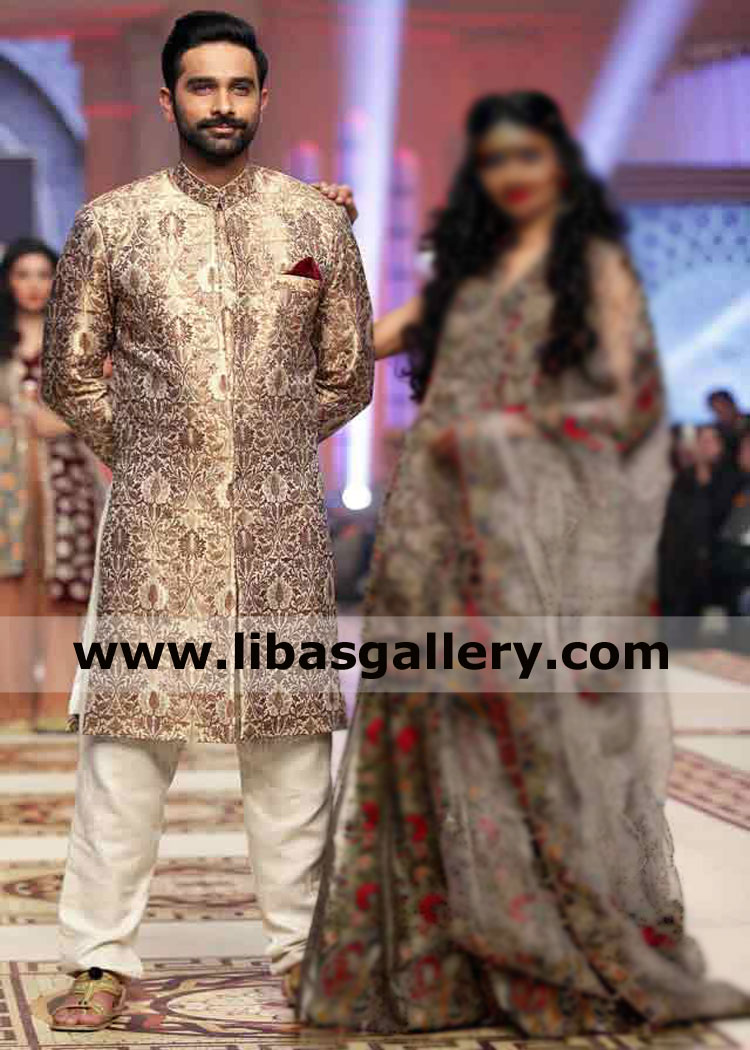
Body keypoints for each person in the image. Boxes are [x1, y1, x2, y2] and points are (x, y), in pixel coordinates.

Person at [296, 92, 750, 1036]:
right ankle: (443, 959)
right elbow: (357, 348)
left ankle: (541, 942)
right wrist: (329, 239)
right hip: (434, 536)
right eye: (496, 160)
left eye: (530, 157)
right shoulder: (459, 279)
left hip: (540, 529)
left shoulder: (596, 274)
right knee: (437, 732)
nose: (513, 175)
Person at [42, 10, 373, 1032]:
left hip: (280, 532)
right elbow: (68, 372)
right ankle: (97, 957)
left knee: (292, 759)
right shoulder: (111, 224)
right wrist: (159, 452)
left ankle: (306, 954)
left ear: (263, 97)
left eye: (238, 87)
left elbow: (350, 374)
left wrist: (260, 449)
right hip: (154, 532)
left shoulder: (316, 225)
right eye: (202, 86)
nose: (221, 105)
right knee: (125, 756)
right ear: (168, 98)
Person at [0, 238, 106, 731]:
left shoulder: (75, 339)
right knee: (10, 590)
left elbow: (105, 395)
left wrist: (61, 419)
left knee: (65, 591)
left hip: (67, 479)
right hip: (8, 483)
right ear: (7, 282)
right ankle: (10, 708)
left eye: (43, 275)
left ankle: (58, 705)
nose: (34, 286)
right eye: (22, 275)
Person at [659, 425, 740, 646]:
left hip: (719, 570)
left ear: (721, 446)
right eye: (701, 441)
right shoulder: (682, 480)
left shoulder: (732, 480)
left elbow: (724, 519)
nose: (705, 446)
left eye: (711, 441)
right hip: (682, 569)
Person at [707, 389, 749, 468]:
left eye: (724, 407)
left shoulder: (747, 422)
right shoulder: (717, 431)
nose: (722, 415)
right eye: (718, 412)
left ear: (733, 405)